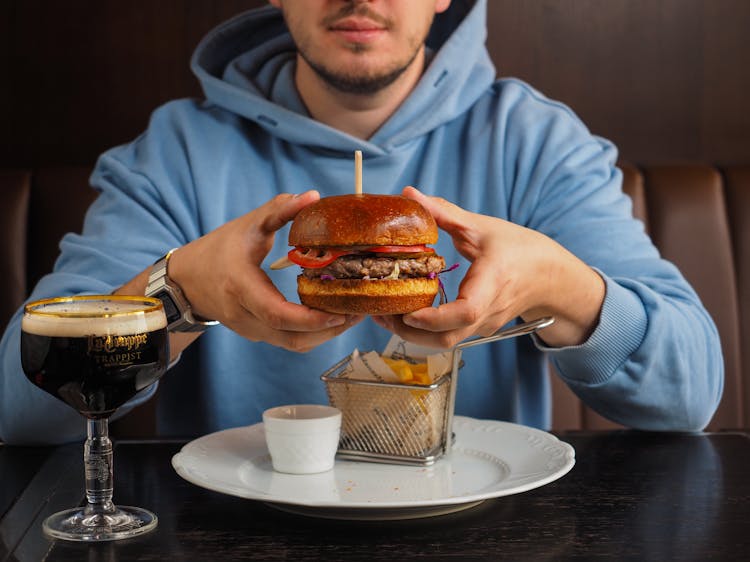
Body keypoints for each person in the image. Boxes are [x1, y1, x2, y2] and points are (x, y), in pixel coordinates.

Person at [0, 0, 723, 445]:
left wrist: (561, 287)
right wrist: (177, 294)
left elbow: (690, 397)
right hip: (237, 531)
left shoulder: (535, 142)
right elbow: (19, 412)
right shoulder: (174, 153)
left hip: (488, 530)